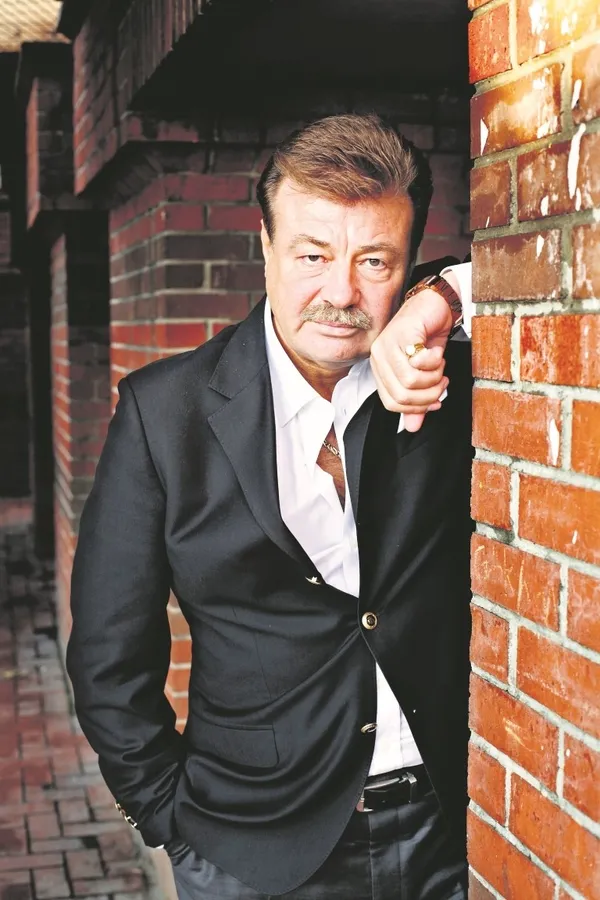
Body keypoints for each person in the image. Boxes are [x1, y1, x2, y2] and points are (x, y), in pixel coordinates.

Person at [66, 114, 474, 900]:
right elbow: (109, 655)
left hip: (446, 834)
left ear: (408, 262)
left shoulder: (444, 372)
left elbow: (555, 258)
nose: (341, 293)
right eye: (312, 255)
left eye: (375, 261)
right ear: (265, 246)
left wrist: (445, 296)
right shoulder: (165, 413)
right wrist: (165, 819)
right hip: (251, 854)